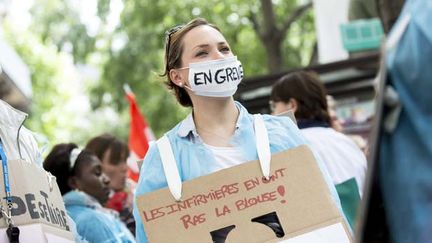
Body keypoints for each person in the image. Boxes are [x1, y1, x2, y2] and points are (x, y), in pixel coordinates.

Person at [132, 18, 344, 243]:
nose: (219, 57)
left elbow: (328, 213)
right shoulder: (163, 159)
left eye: (224, 49)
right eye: (202, 53)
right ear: (177, 77)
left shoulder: (281, 132)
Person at [269, 71, 367, 227]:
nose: (272, 114)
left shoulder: (289, 147)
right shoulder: (347, 143)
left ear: (292, 105)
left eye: (274, 106)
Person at [43, 143, 135, 243]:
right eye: (97, 172)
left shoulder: (63, 217)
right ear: (74, 183)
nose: (106, 179)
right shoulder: (92, 220)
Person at [86, 134, 136, 234]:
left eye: (125, 160)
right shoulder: (82, 212)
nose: (125, 168)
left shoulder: (138, 196)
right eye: (116, 162)